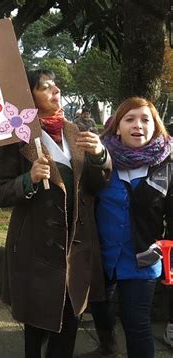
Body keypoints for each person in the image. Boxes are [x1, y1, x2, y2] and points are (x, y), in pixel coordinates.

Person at [0, 69, 111, 358]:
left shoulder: (77, 131)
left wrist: (100, 156)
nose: (55, 91)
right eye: (45, 87)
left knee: (70, 325)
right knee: (37, 327)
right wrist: (27, 180)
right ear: (28, 95)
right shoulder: (17, 135)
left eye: (56, 86)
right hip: (36, 250)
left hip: (77, 248)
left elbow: (96, 186)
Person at [90, 97, 171, 358]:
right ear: (117, 127)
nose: (138, 125)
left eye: (145, 119)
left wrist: (166, 251)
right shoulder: (99, 161)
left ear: (155, 126)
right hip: (101, 256)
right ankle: (107, 346)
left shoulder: (166, 166)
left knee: (136, 324)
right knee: (99, 309)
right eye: (130, 119)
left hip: (142, 260)